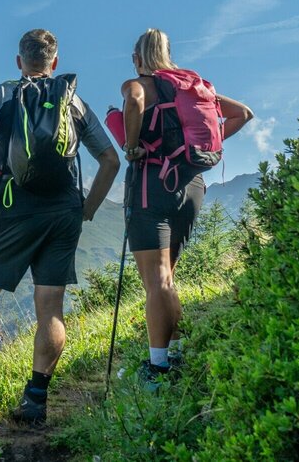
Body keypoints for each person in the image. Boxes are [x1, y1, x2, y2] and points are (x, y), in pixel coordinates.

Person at [0, 29, 120, 422]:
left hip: (18, 207)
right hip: (64, 209)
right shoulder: (72, 100)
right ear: (55, 61)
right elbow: (110, 160)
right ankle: (35, 400)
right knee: (50, 307)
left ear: (19, 61)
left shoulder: (1, 94)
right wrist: (87, 207)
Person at [120, 28, 253, 390]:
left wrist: (132, 147)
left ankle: (158, 367)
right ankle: (174, 354)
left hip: (152, 187)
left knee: (156, 281)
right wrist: (191, 151)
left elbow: (132, 101)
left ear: (138, 57)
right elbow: (243, 113)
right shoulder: (193, 86)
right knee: (168, 278)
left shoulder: (141, 83)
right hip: (192, 186)